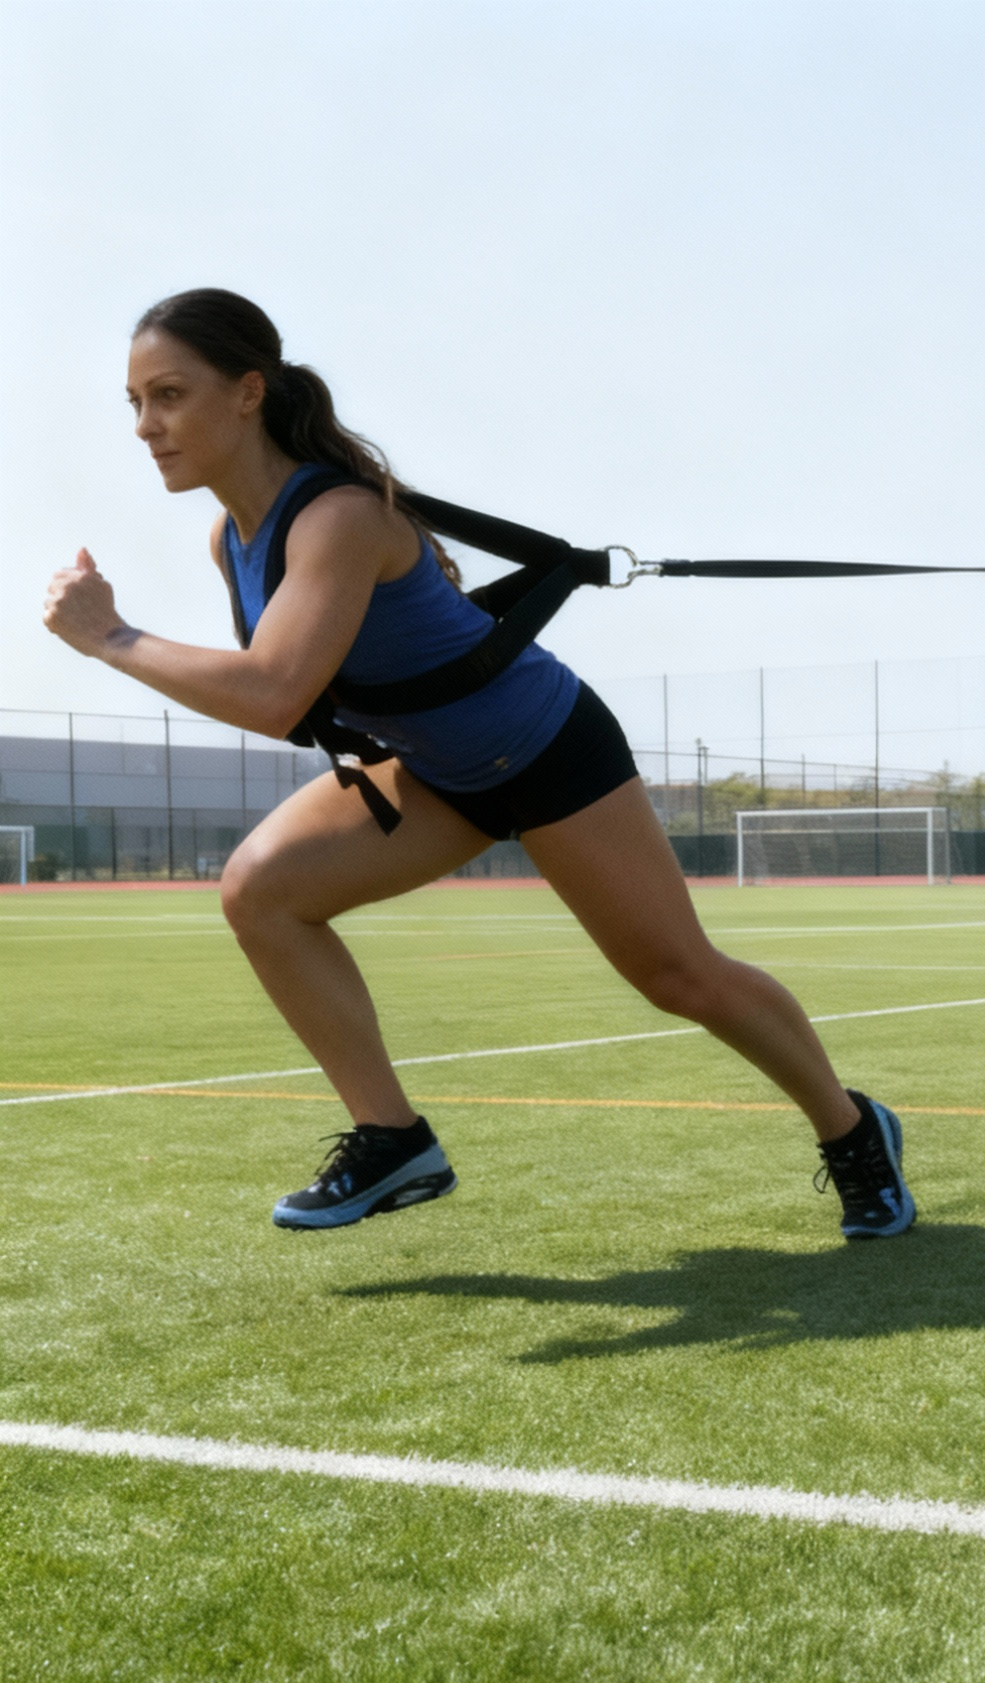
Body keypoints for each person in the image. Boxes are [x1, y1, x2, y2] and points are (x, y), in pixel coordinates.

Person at [41, 288, 917, 1236]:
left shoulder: (334, 518)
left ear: (248, 392)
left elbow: (271, 692)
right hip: (440, 773)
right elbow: (298, 691)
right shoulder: (232, 537)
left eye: (167, 395)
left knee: (677, 977)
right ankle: (392, 1140)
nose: (146, 426)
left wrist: (111, 637)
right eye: (134, 403)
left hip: (548, 750)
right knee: (260, 891)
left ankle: (851, 1128)